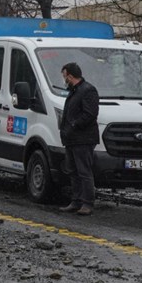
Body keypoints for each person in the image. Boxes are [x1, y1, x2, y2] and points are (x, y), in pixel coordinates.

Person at [58, 62, 100, 216]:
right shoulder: (75, 91)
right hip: (72, 139)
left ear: (70, 75)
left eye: (64, 76)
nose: (64, 80)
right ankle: (76, 201)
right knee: (73, 171)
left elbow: (90, 114)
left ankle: (87, 203)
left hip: (83, 139)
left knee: (84, 172)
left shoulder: (88, 90)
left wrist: (74, 125)